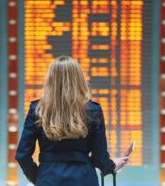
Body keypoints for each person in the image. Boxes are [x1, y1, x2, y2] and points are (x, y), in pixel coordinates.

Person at [15, 55, 130, 186]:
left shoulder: (37, 109)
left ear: (50, 80)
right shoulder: (93, 110)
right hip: (84, 179)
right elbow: (99, 157)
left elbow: (23, 155)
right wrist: (112, 165)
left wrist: (39, 178)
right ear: (79, 79)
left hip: (47, 179)